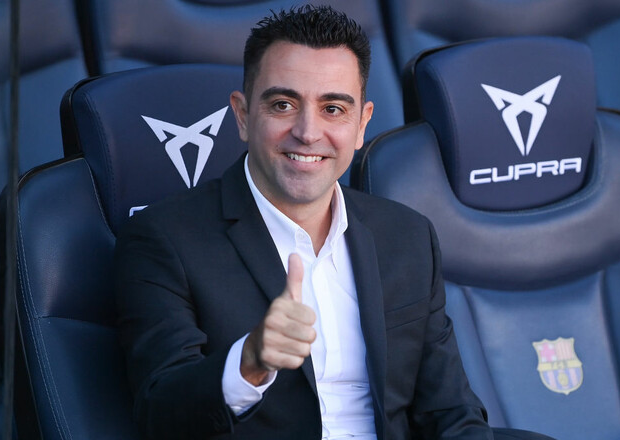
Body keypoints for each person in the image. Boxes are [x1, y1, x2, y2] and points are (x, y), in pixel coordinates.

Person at [115, 5, 494, 439]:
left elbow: (451, 413)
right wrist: (248, 363)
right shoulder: (163, 239)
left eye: (333, 108)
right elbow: (159, 414)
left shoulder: (407, 235)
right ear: (242, 116)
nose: (308, 132)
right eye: (283, 105)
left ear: (362, 124)